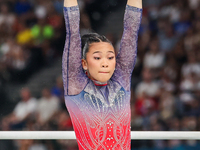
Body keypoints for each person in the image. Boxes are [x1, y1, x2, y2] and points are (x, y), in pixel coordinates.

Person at [62, 0, 142, 149]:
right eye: (97, 58)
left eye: (110, 57)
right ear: (84, 63)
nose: (105, 63)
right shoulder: (76, 86)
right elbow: (72, 33)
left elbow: (131, 31)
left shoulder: (121, 80)